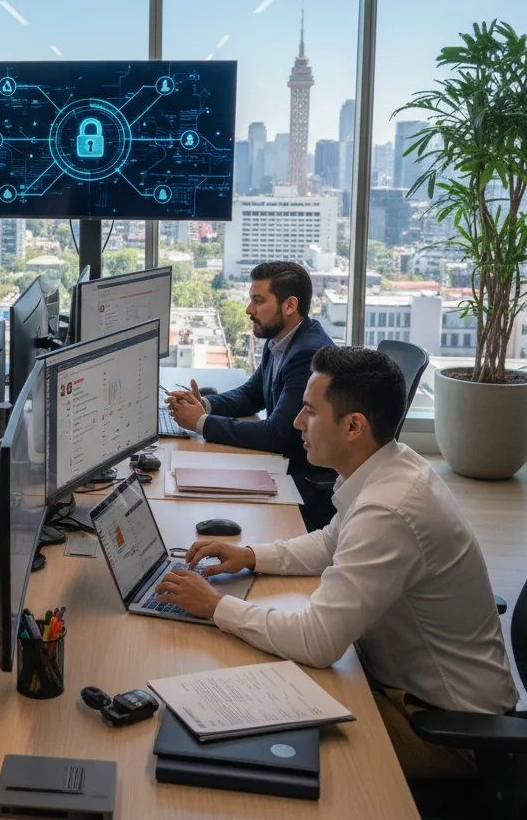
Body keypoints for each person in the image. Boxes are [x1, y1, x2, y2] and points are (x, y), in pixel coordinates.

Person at [155, 346, 516, 779]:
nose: (295, 422)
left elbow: (318, 642)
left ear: (353, 426)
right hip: (402, 687)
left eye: (309, 411)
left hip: (444, 729)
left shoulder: (388, 508)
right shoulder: (387, 464)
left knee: (266, 749)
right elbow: (330, 543)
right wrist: (251, 556)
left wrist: (216, 607)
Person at [165, 260, 336, 528]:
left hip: (300, 480)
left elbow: (279, 434)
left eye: (258, 301)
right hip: (279, 465)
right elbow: (251, 394)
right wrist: (205, 405)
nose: (249, 310)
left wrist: (201, 423)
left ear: (289, 305)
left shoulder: (307, 354)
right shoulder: (280, 340)